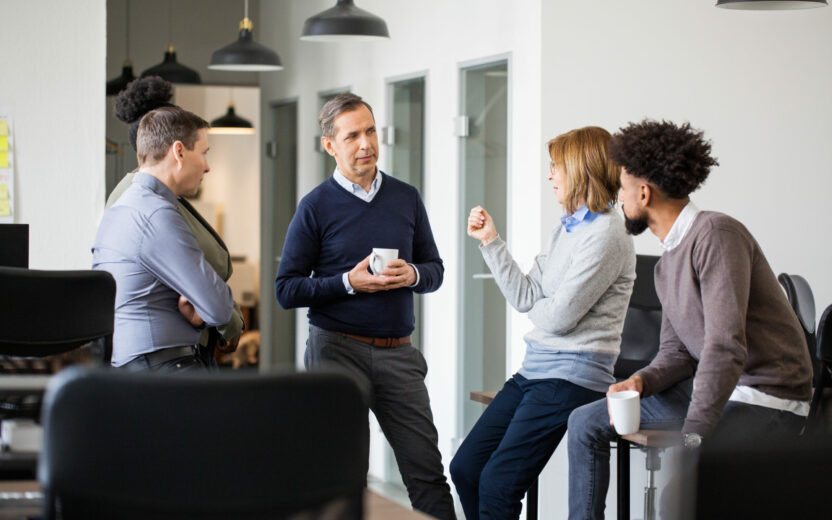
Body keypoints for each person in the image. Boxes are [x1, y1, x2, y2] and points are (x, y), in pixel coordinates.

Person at [566, 120, 813, 520]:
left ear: (643, 193)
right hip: (719, 391)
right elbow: (677, 352)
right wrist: (640, 381)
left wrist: (694, 437)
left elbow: (725, 346)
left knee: (680, 498)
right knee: (585, 421)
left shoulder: (716, 234)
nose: (619, 199)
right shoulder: (668, 264)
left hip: (765, 398)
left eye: (623, 189)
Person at [275, 93, 454, 519]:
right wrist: (346, 283)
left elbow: (435, 269)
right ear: (330, 145)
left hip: (399, 354)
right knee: (341, 476)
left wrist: (412, 274)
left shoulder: (406, 198)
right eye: (352, 135)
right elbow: (287, 289)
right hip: (336, 351)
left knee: (427, 473)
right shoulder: (314, 207)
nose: (365, 143)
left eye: (370, 131)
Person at [450, 126, 636, 520]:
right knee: (465, 469)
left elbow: (560, 317)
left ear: (580, 169)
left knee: (498, 485)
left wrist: (542, 304)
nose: (550, 176)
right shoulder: (568, 226)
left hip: (572, 377)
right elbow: (526, 297)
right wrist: (491, 242)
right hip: (537, 370)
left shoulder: (607, 233)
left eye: (555, 167)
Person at [110, 76, 244, 367]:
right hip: (167, 356)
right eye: (203, 152)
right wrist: (228, 320)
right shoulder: (149, 208)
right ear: (176, 149)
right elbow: (202, 287)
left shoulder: (158, 198)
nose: (207, 166)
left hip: (186, 347)